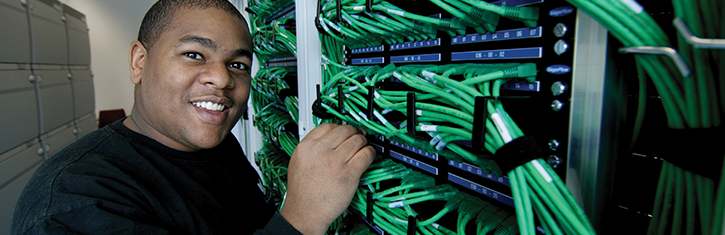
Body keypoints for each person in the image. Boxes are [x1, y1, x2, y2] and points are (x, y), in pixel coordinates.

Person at [10, 0, 375, 234]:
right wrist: (302, 217)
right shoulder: (77, 201)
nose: (221, 78)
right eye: (194, 55)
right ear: (139, 62)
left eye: (237, 64)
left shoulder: (212, 146)